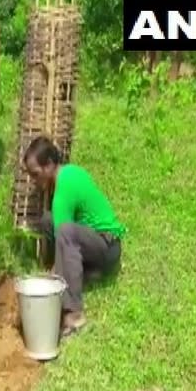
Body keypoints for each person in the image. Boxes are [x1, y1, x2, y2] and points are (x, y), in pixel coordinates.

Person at [23, 136, 126, 337]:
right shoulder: (69, 173)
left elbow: (64, 237)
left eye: (35, 174)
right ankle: (88, 273)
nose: (34, 181)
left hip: (107, 246)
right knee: (47, 220)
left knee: (65, 232)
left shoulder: (64, 189)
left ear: (50, 164)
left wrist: (50, 285)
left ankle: (74, 313)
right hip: (96, 242)